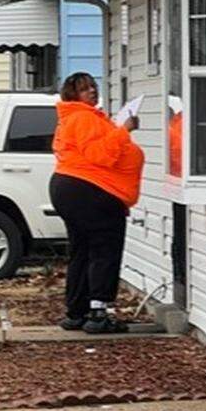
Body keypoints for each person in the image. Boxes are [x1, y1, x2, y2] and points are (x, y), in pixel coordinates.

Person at [48, 72, 145, 334]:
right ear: (72, 94)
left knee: (82, 250)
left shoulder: (76, 117)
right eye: (84, 89)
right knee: (104, 249)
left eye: (93, 87)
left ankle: (76, 312)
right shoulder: (82, 118)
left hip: (73, 188)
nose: (91, 91)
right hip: (91, 190)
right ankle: (98, 312)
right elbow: (100, 154)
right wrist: (124, 131)